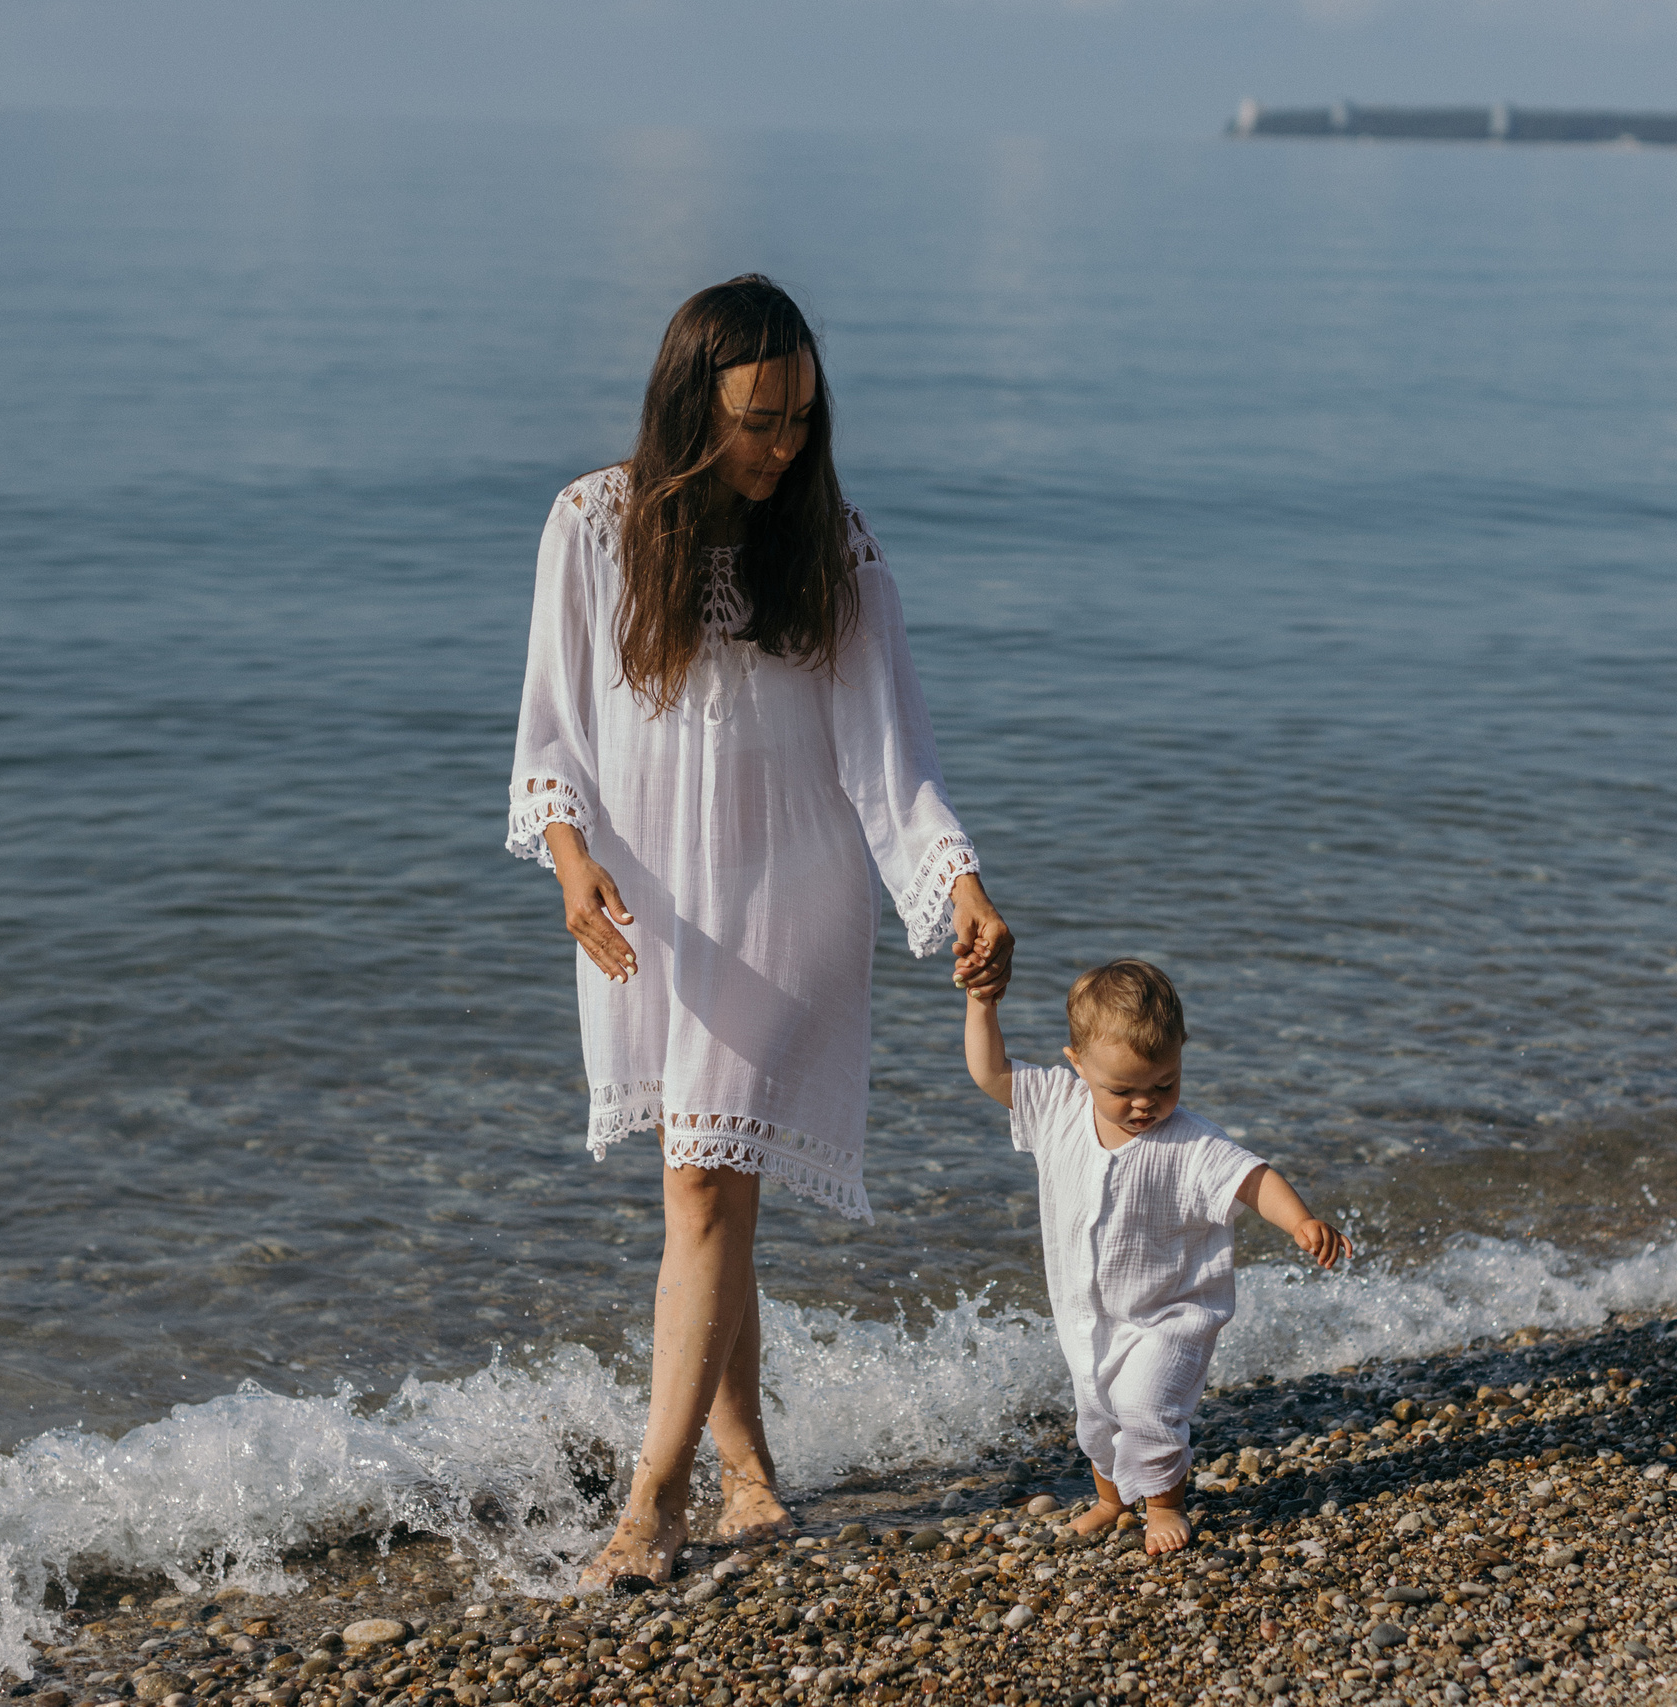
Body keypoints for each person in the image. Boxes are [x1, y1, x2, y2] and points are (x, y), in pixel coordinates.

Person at [509, 275, 1012, 1588]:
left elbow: (889, 765)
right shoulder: (593, 525)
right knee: (708, 1182)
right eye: (754, 420)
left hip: (791, 899)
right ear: (692, 408)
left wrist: (956, 882)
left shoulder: (833, 551)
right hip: (652, 904)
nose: (781, 445)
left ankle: (654, 1497)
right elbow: (552, 728)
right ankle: (750, 1469)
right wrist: (567, 861)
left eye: (798, 417)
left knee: (702, 1182)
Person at [963, 959, 1346, 1554]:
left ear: (1181, 1058)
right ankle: (1112, 1500)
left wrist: (1300, 1220)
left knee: (1146, 1407)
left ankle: (1166, 1505)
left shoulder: (1191, 1142)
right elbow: (989, 1073)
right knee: (1096, 1418)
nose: (1144, 1104)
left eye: (1164, 1084)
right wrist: (982, 1004)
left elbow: (1253, 1178)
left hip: (1174, 1314)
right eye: (1122, 1090)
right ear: (1078, 1065)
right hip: (1089, 1319)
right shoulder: (1057, 1108)